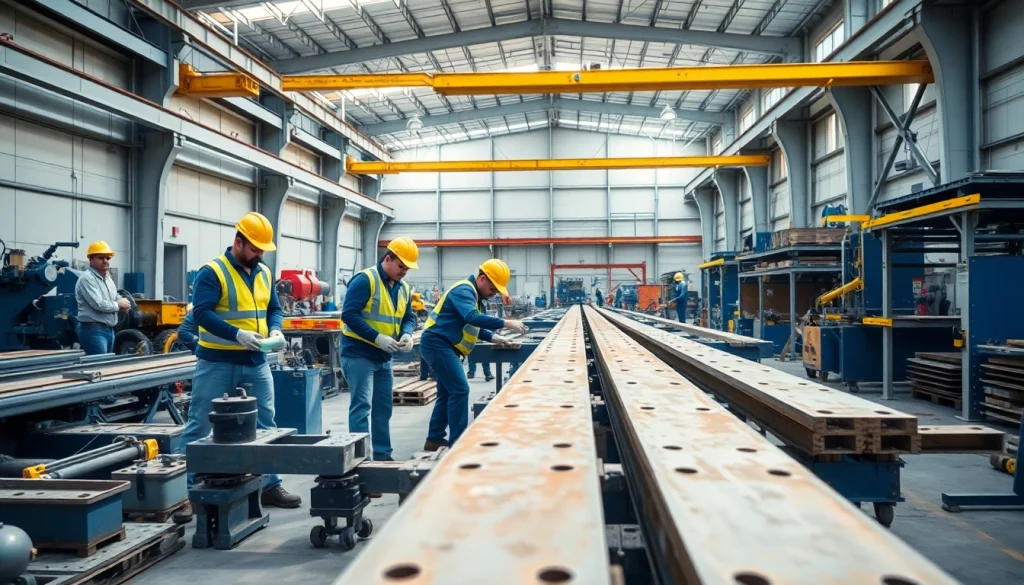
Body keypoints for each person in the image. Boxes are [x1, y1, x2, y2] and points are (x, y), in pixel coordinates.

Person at [173, 212, 299, 524]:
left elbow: (273, 309)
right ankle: (186, 494)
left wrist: (276, 329)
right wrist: (237, 334)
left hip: (255, 362)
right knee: (200, 425)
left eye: (263, 250)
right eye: (255, 249)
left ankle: (269, 485)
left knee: (266, 424)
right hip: (217, 362)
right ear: (238, 242)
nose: (260, 255)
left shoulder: (264, 272)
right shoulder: (213, 272)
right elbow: (201, 314)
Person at [421, 260, 527, 450]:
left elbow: (472, 326)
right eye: (493, 289)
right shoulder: (464, 290)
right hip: (438, 344)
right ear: (482, 278)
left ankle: (434, 440)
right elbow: (471, 317)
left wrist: (493, 337)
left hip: (444, 346)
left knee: (446, 393)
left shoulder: (477, 298)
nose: (494, 293)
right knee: (460, 390)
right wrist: (506, 323)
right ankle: (458, 444)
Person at [340, 237, 419, 462]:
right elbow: (349, 315)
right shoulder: (365, 280)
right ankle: (362, 460)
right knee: (361, 407)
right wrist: (377, 338)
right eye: (401, 266)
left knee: (383, 408)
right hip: (359, 354)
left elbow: (408, 317)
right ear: (388, 259)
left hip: (384, 357)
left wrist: (407, 333)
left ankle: (383, 456)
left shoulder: (403, 288)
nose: (404, 272)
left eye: (407, 269)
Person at [74, 241, 130, 355]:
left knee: (106, 363)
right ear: (91, 259)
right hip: (93, 330)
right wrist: (118, 305)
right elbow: (99, 304)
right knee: (99, 363)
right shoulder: (87, 279)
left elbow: (115, 296)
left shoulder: (108, 279)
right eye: (101, 258)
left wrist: (122, 301)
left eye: (107, 258)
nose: (105, 261)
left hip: (109, 329)